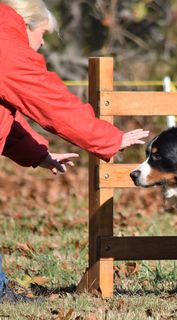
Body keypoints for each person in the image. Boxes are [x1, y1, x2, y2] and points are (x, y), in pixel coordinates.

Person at [0, 0, 150, 302]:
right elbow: (51, 103)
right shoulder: (7, 46)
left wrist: (38, 153)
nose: (41, 44)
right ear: (25, 23)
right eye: (42, 34)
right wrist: (109, 138)